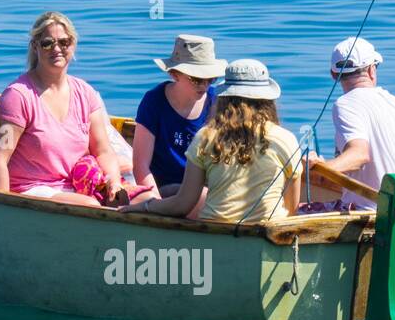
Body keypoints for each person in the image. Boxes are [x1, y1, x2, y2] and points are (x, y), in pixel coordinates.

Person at [0, 12, 150, 208]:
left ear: (73, 45)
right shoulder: (17, 96)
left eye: (64, 42)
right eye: (48, 43)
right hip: (34, 188)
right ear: (35, 46)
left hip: (79, 184)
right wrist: (1, 209)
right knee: (89, 205)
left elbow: (103, 150)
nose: (57, 49)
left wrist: (114, 182)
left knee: (147, 201)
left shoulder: (85, 93)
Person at [123, 59, 302, 224]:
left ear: (224, 98)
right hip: (268, 230)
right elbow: (291, 210)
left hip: (215, 229)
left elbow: (183, 204)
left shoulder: (205, 137)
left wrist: (142, 207)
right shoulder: (286, 139)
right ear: (268, 100)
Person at [312, 36, 395, 212]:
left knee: (292, 209)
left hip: (372, 213)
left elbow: (359, 155)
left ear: (333, 75)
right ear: (371, 70)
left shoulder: (345, 103)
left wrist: (316, 169)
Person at [133, 34, 224, 195]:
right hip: (166, 189)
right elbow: (141, 166)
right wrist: (155, 203)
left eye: (210, 79)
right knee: (202, 196)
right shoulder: (154, 101)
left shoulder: (215, 101)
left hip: (205, 187)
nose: (204, 85)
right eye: (196, 79)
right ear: (174, 74)